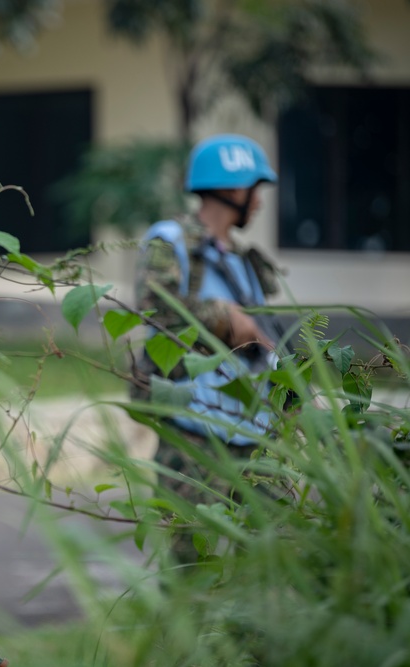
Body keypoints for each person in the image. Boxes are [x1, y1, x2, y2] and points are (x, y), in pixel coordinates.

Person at [133, 133, 286, 565]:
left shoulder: (244, 262)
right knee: (186, 573)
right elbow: (153, 311)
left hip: (253, 439)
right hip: (193, 438)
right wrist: (223, 318)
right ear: (235, 188)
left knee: (264, 570)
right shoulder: (171, 241)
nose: (258, 203)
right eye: (256, 190)